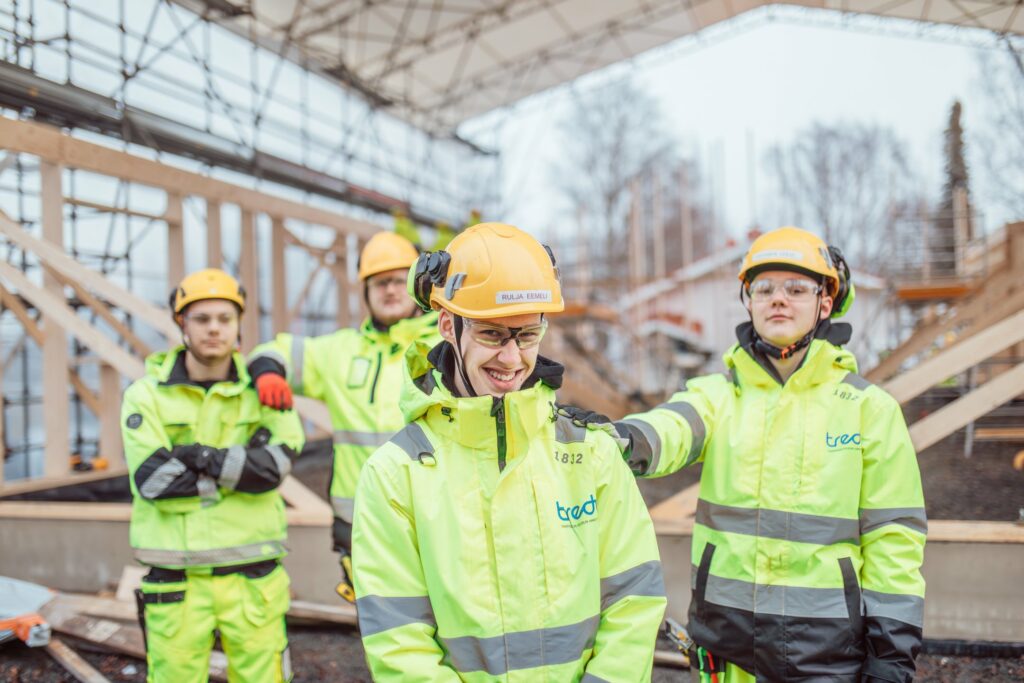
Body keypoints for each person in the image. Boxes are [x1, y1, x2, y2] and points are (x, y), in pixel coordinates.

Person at [600, 227, 926, 682]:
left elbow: (895, 540)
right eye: (764, 288)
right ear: (748, 300)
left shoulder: (870, 411)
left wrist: (891, 655)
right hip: (729, 652)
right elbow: (669, 428)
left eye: (796, 289)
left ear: (825, 302)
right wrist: (612, 440)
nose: (778, 299)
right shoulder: (717, 397)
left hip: (829, 656)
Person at [351, 223, 667, 681]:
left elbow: (633, 599)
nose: (513, 359)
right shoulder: (395, 474)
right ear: (447, 325)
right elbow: (399, 643)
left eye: (528, 335)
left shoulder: (590, 454)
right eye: (491, 335)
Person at [121, 268, 304, 683]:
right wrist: (235, 472)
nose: (214, 329)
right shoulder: (145, 395)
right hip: (176, 582)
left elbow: (274, 469)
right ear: (181, 323)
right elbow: (154, 482)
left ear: (239, 325)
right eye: (201, 319)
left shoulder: (265, 390)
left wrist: (194, 456)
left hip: (254, 579)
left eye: (225, 318)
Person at [247, 231, 440, 601]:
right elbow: (273, 349)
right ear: (365, 291)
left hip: (434, 526)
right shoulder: (340, 351)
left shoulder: (444, 348)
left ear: (419, 286)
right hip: (361, 529)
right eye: (380, 282)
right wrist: (269, 371)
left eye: (401, 281)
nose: (391, 290)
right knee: (380, 639)